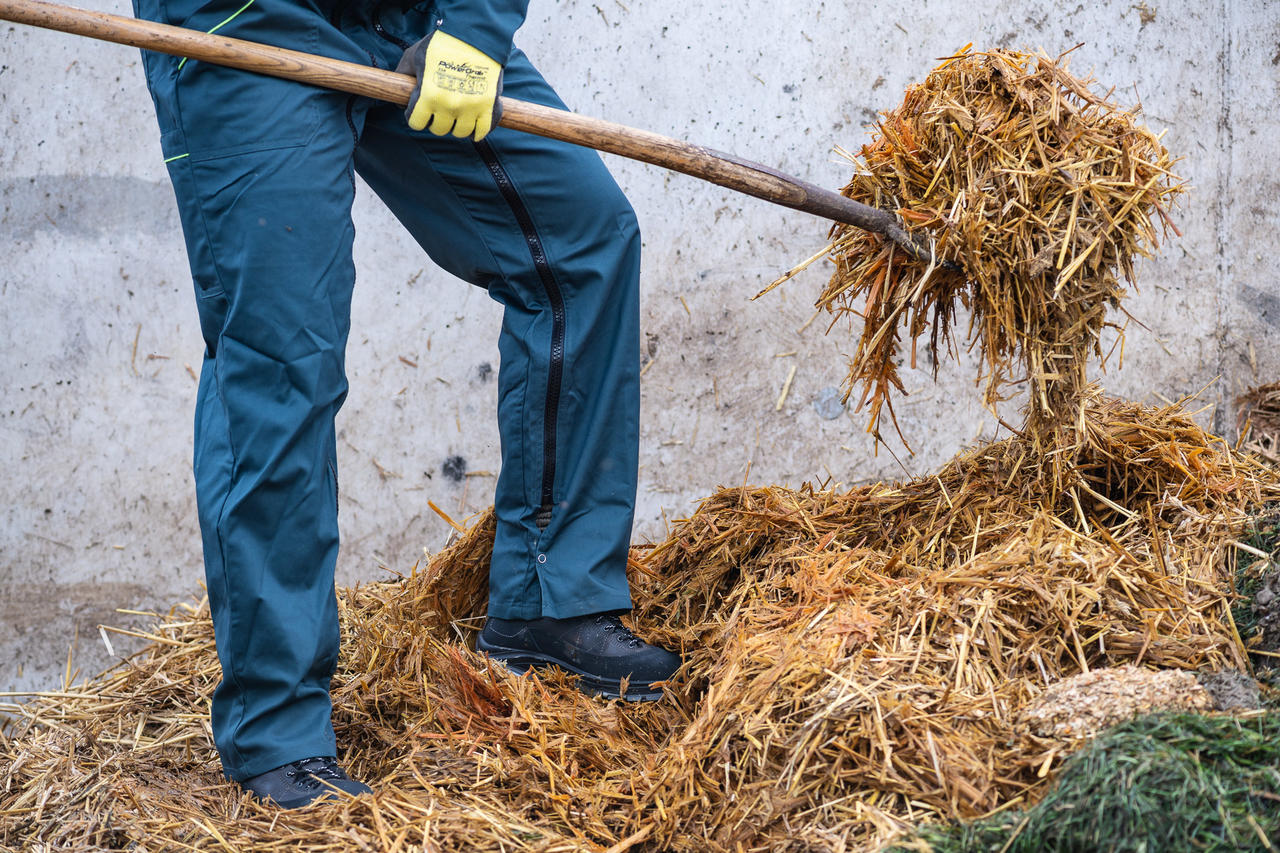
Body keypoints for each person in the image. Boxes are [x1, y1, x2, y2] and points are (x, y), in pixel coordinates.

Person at [132, 0, 680, 809]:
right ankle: (279, 733)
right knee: (285, 359)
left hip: (414, 17)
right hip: (248, 21)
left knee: (584, 242)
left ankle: (547, 604)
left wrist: (473, 29)